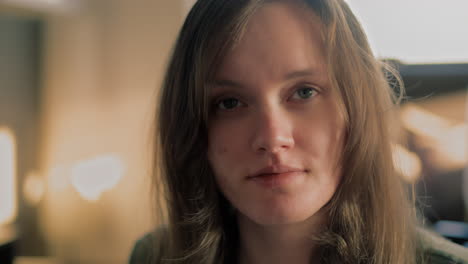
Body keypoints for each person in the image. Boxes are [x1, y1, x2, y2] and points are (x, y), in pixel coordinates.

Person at [130, 0, 468, 263]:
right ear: (193, 126)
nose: (272, 137)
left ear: (356, 108)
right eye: (231, 102)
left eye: (304, 91)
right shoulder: (156, 257)